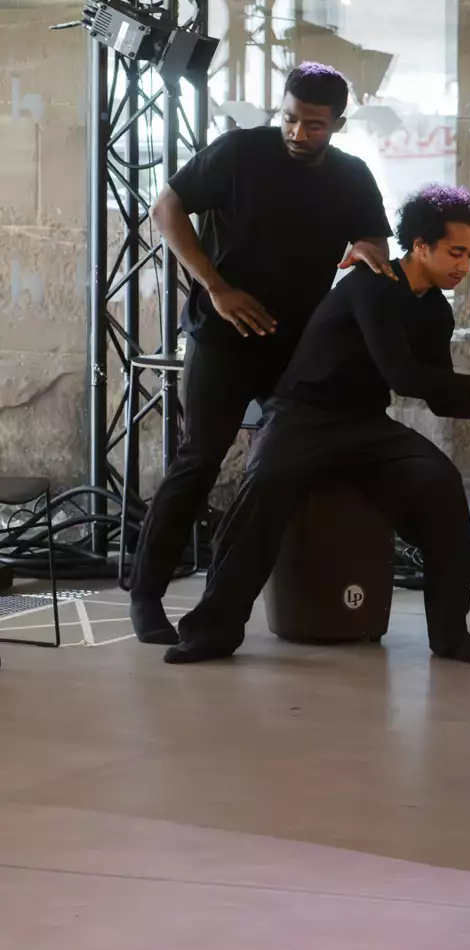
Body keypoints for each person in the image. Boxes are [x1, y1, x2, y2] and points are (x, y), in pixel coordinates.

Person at [163, 186, 470, 666]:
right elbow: (402, 375)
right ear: (421, 245)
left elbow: (435, 393)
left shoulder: (435, 310)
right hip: (301, 416)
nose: (464, 266)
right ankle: (210, 633)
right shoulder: (372, 285)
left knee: (440, 484)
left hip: (365, 424)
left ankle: (450, 633)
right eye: (455, 252)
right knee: (264, 487)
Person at [130, 62, 395, 645]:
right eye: (291, 119)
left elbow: (374, 237)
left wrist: (364, 252)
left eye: (315, 126)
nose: (300, 134)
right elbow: (165, 209)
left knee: (284, 467)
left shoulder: (351, 176)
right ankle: (146, 594)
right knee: (199, 460)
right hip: (223, 336)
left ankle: (253, 599)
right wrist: (216, 288)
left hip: (299, 344)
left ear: (339, 124)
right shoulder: (237, 153)